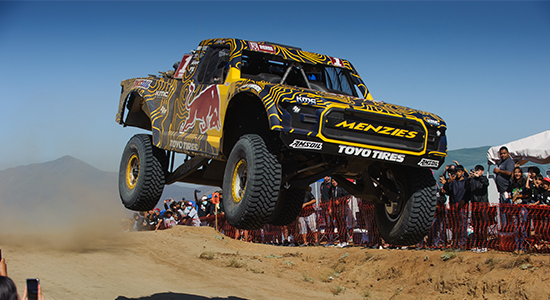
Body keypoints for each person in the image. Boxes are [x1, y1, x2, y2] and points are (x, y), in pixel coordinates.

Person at [467, 165, 489, 253]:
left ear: (482, 172)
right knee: (475, 225)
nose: (477, 172)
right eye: (476, 170)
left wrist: (479, 177)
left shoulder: (484, 179)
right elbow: (467, 187)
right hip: (474, 203)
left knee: (483, 225)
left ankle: (484, 245)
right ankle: (476, 245)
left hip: (482, 203)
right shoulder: (472, 180)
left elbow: (486, 184)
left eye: (479, 170)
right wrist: (469, 178)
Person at [331, 178, 350, 248]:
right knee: (338, 226)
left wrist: (340, 200)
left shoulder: (341, 187)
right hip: (336, 210)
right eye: (332, 181)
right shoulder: (333, 189)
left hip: (342, 209)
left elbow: (348, 196)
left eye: (335, 181)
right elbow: (332, 199)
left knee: (343, 225)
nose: (334, 182)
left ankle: (345, 241)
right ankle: (340, 241)